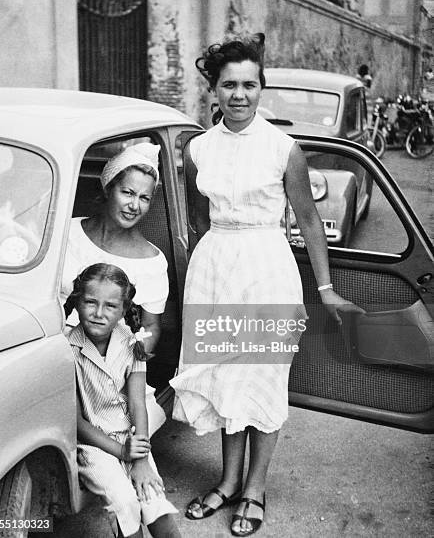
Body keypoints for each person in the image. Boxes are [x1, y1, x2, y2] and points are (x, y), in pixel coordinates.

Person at [170, 33, 363, 536]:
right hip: (215, 270)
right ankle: (228, 480)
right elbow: (197, 218)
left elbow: (311, 222)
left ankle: (255, 487)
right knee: (223, 376)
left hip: (267, 269)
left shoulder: (284, 149)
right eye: (229, 84)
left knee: (263, 377)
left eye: (249, 85)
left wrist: (325, 289)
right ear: (213, 89)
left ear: (262, 88)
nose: (239, 94)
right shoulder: (198, 149)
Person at [64, 263, 180, 538]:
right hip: (94, 445)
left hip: (131, 437)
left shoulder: (131, 342)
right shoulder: (68, 349)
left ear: (124, 310)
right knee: (124, 503)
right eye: (90, 302)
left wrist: (138, 459)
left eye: (111, 306)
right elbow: (78, 422)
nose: (99, 313)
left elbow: (138, 404)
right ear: (78, 301)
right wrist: (121, 453)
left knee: (153, 499)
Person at [62, 142, 168, 435]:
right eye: (128, 193)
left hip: (108, 366)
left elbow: (150, 327)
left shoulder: (152, 261)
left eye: (144, 198)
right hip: (54, 350)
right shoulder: (66, 232)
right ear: (109, 187)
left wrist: (124, 361)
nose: (135, 205)